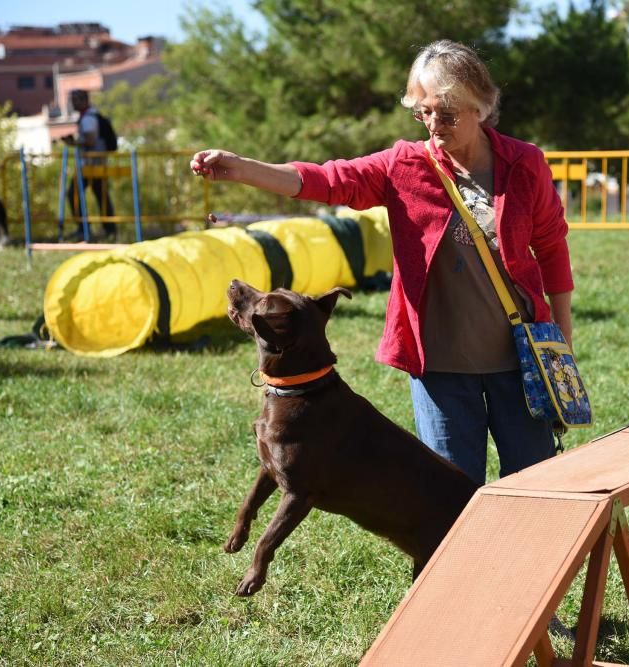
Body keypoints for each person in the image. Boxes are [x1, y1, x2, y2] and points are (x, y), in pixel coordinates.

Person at [190, 40, 573, 485]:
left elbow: (551, 249)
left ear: (482, 106)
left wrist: (561, 340)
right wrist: (243, 168)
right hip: (440, 369)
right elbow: (328, 180)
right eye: (422, 112)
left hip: (521, 360)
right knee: (452, 491)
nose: (433, 124)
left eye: (446, 113)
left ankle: (530, 558)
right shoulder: (403, 166)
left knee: (535, 483)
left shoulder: (524, 163)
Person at [63, 89, 116, 241]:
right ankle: (109, 229)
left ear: (84, 100)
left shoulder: (89, 118)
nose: (73, 103)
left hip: (91, 165)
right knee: (101, 195)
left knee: (74, 193)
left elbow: (91, 140)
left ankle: (84, 229)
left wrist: (74, 142)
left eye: (75, 99)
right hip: (93, 164)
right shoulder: (88, 116)